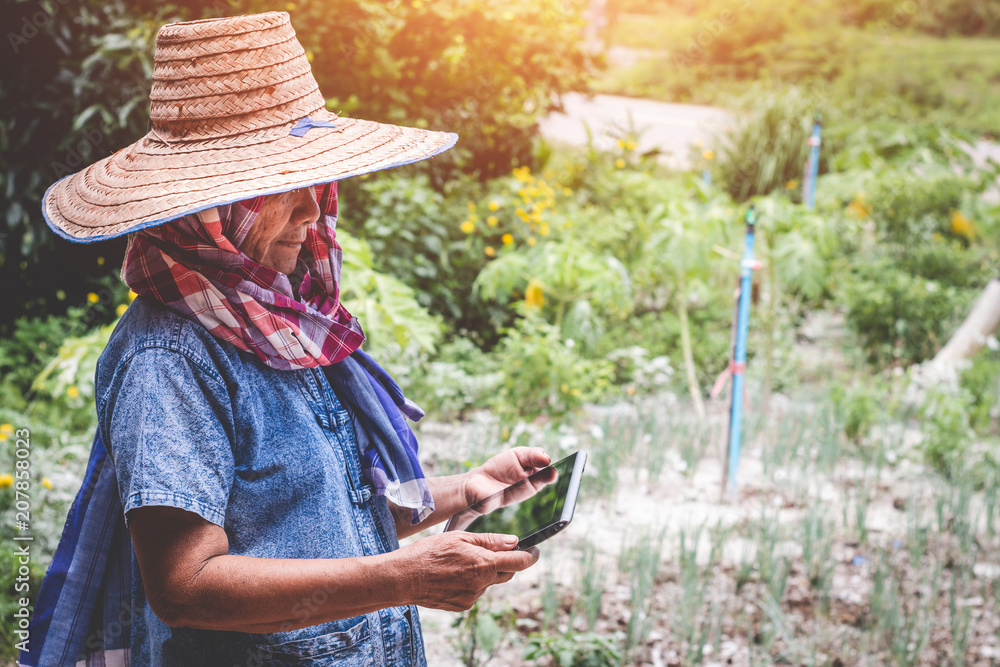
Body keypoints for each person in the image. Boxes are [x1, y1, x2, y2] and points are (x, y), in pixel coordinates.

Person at [22, 11, 547, 666]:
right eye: (288, 190)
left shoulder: (282, 324)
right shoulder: (170, 355)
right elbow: (186, 584)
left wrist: (469, 489)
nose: (313, 210)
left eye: (316, 186)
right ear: (218, 208)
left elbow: (327, 513)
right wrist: (405, 576)